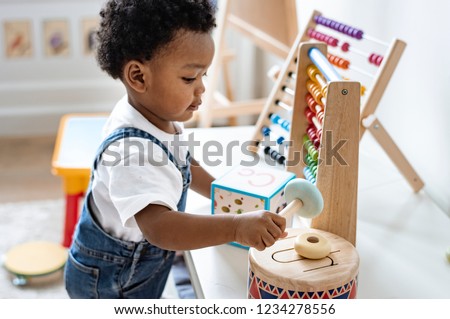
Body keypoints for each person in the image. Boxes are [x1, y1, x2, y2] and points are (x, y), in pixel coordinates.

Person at [64, 0, 287, 299]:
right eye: (189, 78)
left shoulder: (155, 115)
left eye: (203, 76)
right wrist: (234, 227)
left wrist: (222, 192)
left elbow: (183, 163)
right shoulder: (131, 151)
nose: (202, 89)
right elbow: (161, 228)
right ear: (139, 77)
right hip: (109, 281)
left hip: (137, 268)